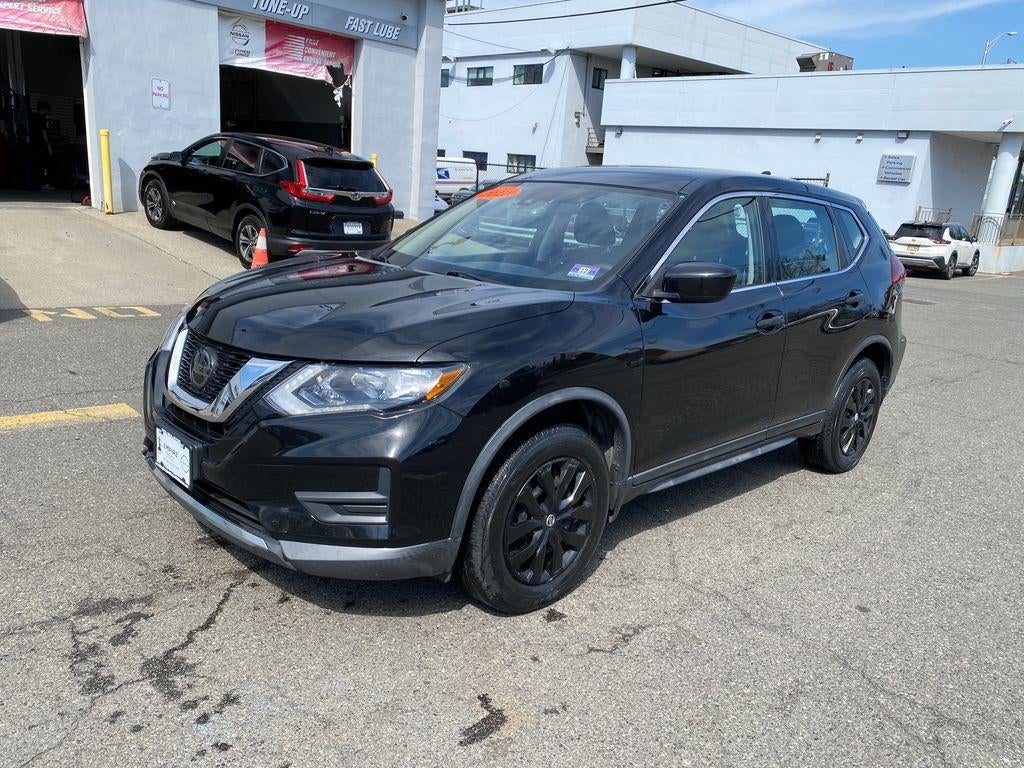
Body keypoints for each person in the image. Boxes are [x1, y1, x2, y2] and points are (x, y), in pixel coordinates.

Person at [28, 101, 55, 190]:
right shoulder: (41, 119)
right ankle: (45, 183)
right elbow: (43, 132)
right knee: (46, 164)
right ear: (43, 109)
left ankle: (37, 182)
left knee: (37, 164)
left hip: (34, 144)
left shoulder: (31, 118)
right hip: (42, 145)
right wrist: (48, 146)